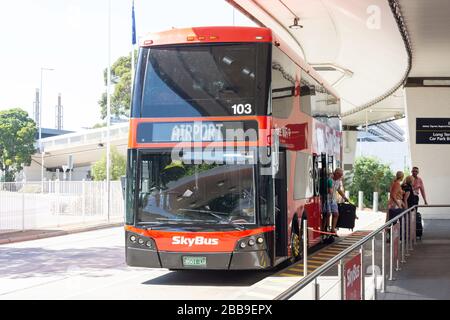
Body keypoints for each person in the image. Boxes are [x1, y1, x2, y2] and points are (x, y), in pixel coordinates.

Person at [325, 168, 349, 236]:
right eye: (340, 175)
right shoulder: (329, 179)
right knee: (328, 213)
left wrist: (344, 197)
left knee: (336, 214)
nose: (340, 177)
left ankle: (333, 230)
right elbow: (329, 190)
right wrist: (330, 190)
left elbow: (338, 189)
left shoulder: (338, 180)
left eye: (341, 175)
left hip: (333, 200)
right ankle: (327, 228)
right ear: (336, 173)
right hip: (327, 199)